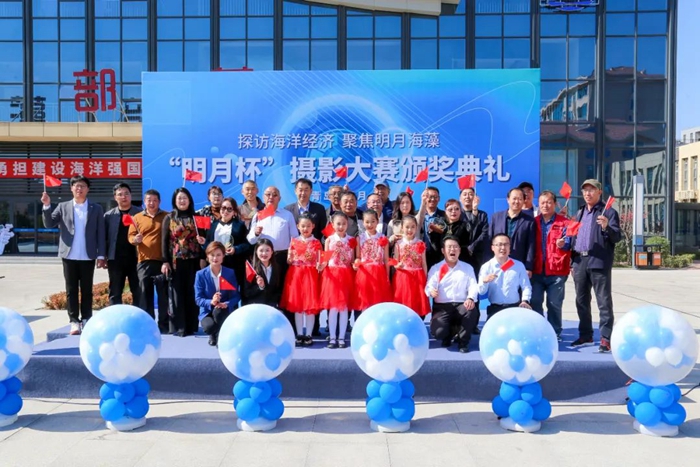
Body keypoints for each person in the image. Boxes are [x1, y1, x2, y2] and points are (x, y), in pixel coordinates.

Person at [41, 175, 106, 335]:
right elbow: (49, 223)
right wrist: (47, 205)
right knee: (71, 290)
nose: (79, 189)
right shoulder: (63, 206)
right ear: (71, 188)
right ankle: (74, 321)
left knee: (87, 290)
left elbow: (101, 232)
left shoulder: (96, 208)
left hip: (88, 255)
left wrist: (101, 255)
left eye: (82, 186)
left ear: (88, 189)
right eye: (76, 186)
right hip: (69, 255)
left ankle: (87, 319)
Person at [570, 179, 621, 353]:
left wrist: (606, 227)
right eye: (585, 190)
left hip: (598, 261)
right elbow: (574, 238)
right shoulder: (579, 212)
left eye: (591, 190)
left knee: (603, 302)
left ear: (599, 192)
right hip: (580, 261)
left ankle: (605, 338)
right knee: (581, 301)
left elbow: (616, 237)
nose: (588, 193)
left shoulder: (608, 212)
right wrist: (572, 261)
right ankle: (586, 334)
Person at [162, 187, 205, 337]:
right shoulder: (169, 217)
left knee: (192, 292)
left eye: (184, 198)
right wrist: (165, 261)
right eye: (179, 198)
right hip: (176, 262)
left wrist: (203, 257)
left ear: (189, 200)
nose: (182, 201)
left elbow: (204, 239)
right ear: (175, 201)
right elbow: (164, 241)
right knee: (177, 294)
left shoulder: (197, 217)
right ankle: (180, 327)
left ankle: (192, 325)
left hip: (194, 261)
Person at [425, 237, 479, 353]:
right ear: (443, 250)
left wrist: (470, 298)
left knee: (471, 310)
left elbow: (473, 286)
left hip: (461, 304)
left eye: (455, 247)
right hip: (442, 307)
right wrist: (431, 291)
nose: (452, 249)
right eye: (449, 247)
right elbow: (429, 286)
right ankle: (449, 333)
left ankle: (463, 341)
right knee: (438, 332)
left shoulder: (467, 268)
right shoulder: (436, 268)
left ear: (459, 250)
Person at [128, 189, 170, 333]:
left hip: (162, 262)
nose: (152, 203)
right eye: (149, 200)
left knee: (163, 295)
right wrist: (135, 239)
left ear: (159, 202)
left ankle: (164, 325)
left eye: (155, 200)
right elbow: (131, 236)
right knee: (145, 295)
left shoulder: (167, 216)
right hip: (144, 261)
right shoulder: (137, 217)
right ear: (144, 202)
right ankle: (148, 324)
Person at [532, 190, 571, 341]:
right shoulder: (533, 223)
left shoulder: (564, 223)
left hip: (557, 271)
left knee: (554, 303)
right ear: (538, 204)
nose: (545, 205)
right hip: (537, 270)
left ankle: (555, 332)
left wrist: (564, 244)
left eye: (549, 202)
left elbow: (570, 242)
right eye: (542, 203)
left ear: (555, 204)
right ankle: (538, 330)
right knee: (535, 302)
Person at [280, 213, 323, 347]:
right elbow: (289, 260)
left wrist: (320, 265)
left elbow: (320, 260)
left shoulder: (316, 242)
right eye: (303, 226)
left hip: (311, 275)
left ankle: (308, 334)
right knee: (297, 306)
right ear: (298, 226)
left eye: (308, 226)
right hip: (296, 274)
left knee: (310, 307)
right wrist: (290, 259)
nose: (305, 229)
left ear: (313, 226)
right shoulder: (294, 241)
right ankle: (299, 334)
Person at [319, 212, 356, 349]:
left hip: (346, 275)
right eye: (338, 224)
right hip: (332, 276)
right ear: (333, 225)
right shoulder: (329, 240)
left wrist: (355, 264)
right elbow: (326, 259)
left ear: (348, 224)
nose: (341, 226)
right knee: (334, 308)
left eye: (343, 224)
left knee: (344, 308)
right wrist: (321, 265)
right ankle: (333, 337)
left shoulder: (351, 240)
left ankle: (341, 338)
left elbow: (353, 260)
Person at [247, 185, 299, 281]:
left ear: (279, 199)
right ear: (263, 197)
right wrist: (256, 233)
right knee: (264, 285)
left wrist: (292, 255)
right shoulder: (258, 216)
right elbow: (251, 240)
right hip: (263, 257)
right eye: (268, 194)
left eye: (274, 195)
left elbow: (295, 238)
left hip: (282, 257)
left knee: (282, 285)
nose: (271, 197)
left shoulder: (287, 215)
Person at [195, 241, 240, 346]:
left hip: (223, 310)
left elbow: (236, 296)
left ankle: (221, 334)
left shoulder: (230, 273)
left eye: (218, 255)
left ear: (223, 256)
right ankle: (214, 333)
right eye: (212, 255)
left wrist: (226, 304)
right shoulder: (200, 275)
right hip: (207, 311)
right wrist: (211, 301)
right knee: (208, 326)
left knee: (219, 312)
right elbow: (198, 299)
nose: (215, 258)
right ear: (207, 256)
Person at [103, 182, 141, 307]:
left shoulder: (140, 213)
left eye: (126, 194)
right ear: (115, 197)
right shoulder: (109, 216)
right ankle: (115, 316)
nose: (124, 197)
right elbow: (104, 238)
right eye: (120, 194)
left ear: (131, 195)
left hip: (136, 258)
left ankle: (138, 316)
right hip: (115, 259)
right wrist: (102, 257)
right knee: (115, 291)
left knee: (138, 290)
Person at [478, 233, 532, 319]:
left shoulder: (518, 265)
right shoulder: (486, 267)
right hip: (495, 309)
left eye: (506, 244)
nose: (503, 248)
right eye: (499, 244)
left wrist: (525, 300)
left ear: (510, 247)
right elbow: (481, 292)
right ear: (492, 247)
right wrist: (484, 282)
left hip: (514, 308)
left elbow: (526, 286)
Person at [205, 197, 251, 292]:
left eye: (229, 209)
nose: (225, 211)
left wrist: (235, 249)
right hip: (215, 263)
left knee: (231, 292)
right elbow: (208, 244)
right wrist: (203, 243)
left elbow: (246, 244)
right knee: (216, 291)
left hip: (233, 264)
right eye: (223, 208)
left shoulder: (240, 225)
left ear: (234, 212)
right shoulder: (213, 225)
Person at [489, 187, 536, 274]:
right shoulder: (496, 217)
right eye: (514, 198)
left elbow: (531, 245)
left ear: (523, 201)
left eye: (520, 199)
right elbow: (489, 240)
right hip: (497, 263)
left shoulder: (529, 221)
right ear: (508, 199)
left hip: (518, 264)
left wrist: (528, 267)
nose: (517, 201)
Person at [354, 209, 392, 313]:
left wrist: (387, 276)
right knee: (364, 301)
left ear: (377, 221)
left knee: (378, 302)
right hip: (364, 273)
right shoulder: (360, 238)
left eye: (373, 221)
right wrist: (356, 263)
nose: (370, 224)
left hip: (379, 273)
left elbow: (386, 259)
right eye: (367, 222)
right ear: (363, 222)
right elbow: (358, 256)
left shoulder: (383, 238)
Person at [392, 215, 431, 317]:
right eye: (407, 227)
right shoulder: (398, 244)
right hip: (403, 277)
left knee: (417, 302)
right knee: (404, 302)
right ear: (402, 228)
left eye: (413, 227)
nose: (410, 230)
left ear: (416, 227)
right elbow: (395, 262)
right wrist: (398, 265)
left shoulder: (420, 243)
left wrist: (425, 278)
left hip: (418, 276)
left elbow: (424, 263)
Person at [243, 239, 283, 307]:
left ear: (272, 252)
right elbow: (247, 292)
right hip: (256, 305)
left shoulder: (277, 268)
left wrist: (274, 303)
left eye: (267, 250)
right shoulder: (251, 269)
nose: (264, 253)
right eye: (261, 250)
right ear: (256, 252)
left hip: (272, 306)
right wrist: (260, 287)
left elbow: (278, 289)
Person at [459, 187, 489, 276]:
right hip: (460, 254)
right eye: (464, 194)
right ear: (460, 198)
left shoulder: (482, 215)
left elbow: (485, 233)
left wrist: (472, 247)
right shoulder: (456, 214)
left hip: (477, 255)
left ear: (475, 198)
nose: (467, 197)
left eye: (470, 194)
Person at [418, 187, 446, 270]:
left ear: (439, 199)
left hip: (438, 255)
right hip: (419, 255)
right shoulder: (416, 214)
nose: (432, 199)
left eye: (435, 197)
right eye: (430, 197)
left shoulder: (445, 215)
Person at [441, 199, 472, 263]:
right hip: (442, 259)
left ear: (460, 211)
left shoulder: (465, 226)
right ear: (445, 211)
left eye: (457, 209)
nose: (453, 211)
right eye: (450, 209)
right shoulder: (440, 225)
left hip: (462, 259)